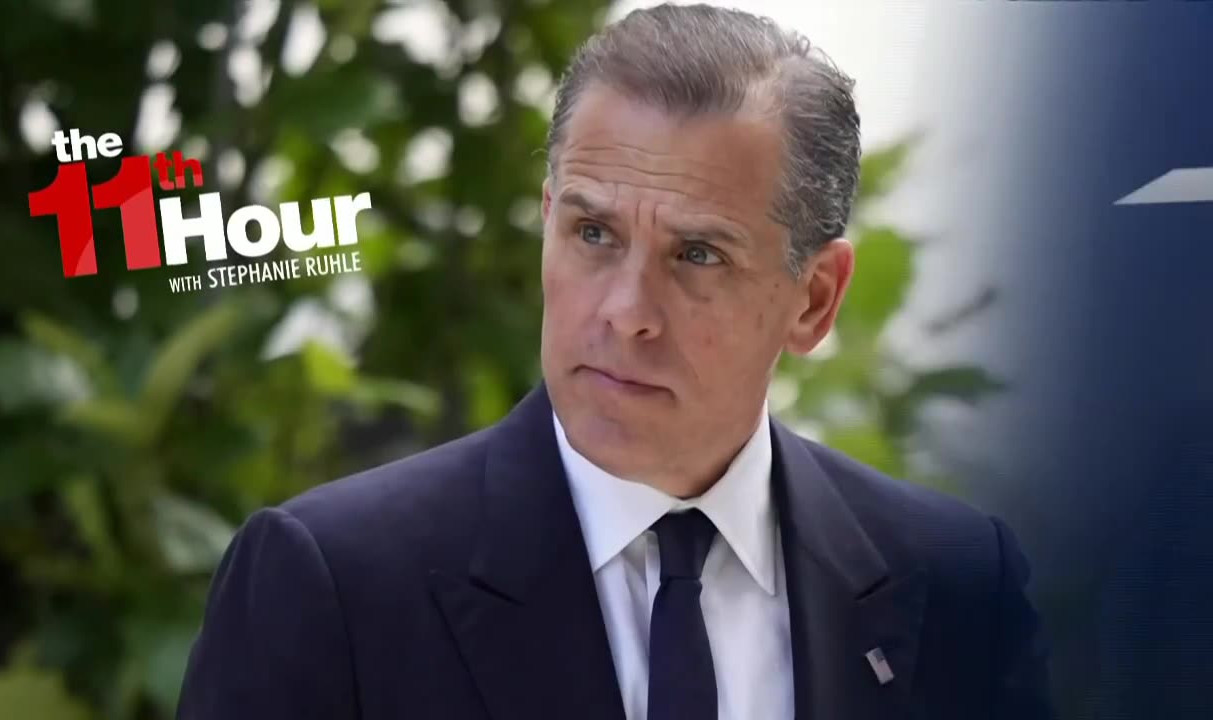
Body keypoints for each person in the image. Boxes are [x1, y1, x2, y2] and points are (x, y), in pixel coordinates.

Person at [176, 4, 1053, 719]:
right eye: (593, 233)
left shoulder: (957, 584)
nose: (626, 313)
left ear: (815, 298)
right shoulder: (335, 584)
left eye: (698, 255)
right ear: (547, 221)